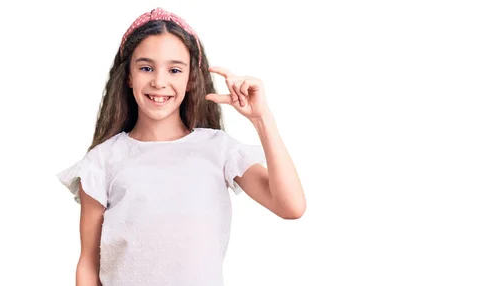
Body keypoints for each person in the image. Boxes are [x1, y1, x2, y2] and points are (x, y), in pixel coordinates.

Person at [57, 7, 306, 286]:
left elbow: (291, 207)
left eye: (174, 69)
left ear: (190, 79)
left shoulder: (218, 150)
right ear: (128, 76)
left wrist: (262, 119)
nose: (159, 81)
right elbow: (89, 264)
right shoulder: (102, 161)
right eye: (146, 67)